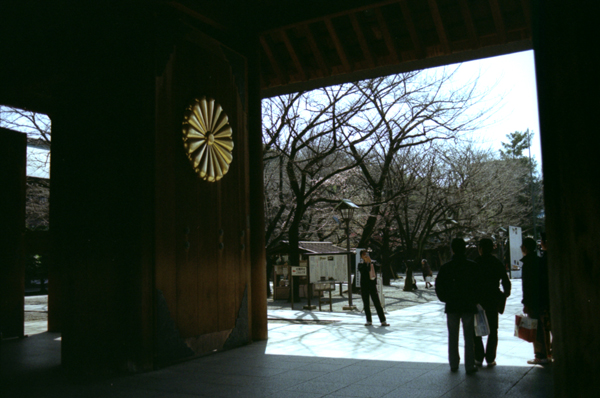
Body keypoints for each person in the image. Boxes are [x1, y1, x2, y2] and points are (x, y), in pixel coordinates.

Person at [435, 238, 480, 374]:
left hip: (452, 305)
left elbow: (439, 287)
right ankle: (469, 365)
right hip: (468, 304)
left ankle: (454, 363)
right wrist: (475, 299)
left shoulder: (446, 267)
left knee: (453, 335)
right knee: (469, 336)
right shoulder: (472, 266)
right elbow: (479, 286)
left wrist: (445, 299)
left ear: (452, 249)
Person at [474, 238, 511, 367]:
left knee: (476, 330)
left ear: (481, 249)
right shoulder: (497, 262)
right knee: (493, 329)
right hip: (492, 299)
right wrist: (504, 294)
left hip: (478, 300)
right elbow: (506, 283)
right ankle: (490, 358)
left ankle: (478, 357)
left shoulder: (475, 263)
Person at [521, 237, 550, 364]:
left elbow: (527, 286)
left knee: (535, 327)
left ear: (525, 248)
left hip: (532, 301)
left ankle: (540, 355)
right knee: (542, 327)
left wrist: (526, 303)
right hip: (542, 299)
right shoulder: (539, 261)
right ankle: (545, 352)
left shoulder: (527, 263)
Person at [358, 250, 389, 327]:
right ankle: (369, 320)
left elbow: (378, 268)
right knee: (366, 304)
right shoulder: (360, 265)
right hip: (364, 286)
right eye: (364, 255)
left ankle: (383, 320)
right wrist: (366, 263)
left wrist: (370, 262)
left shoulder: (373, 263)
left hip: (372, 286)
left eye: (367, 254)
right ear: (361, 256)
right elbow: (364, 270)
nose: (366, 256)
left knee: (377, 303)